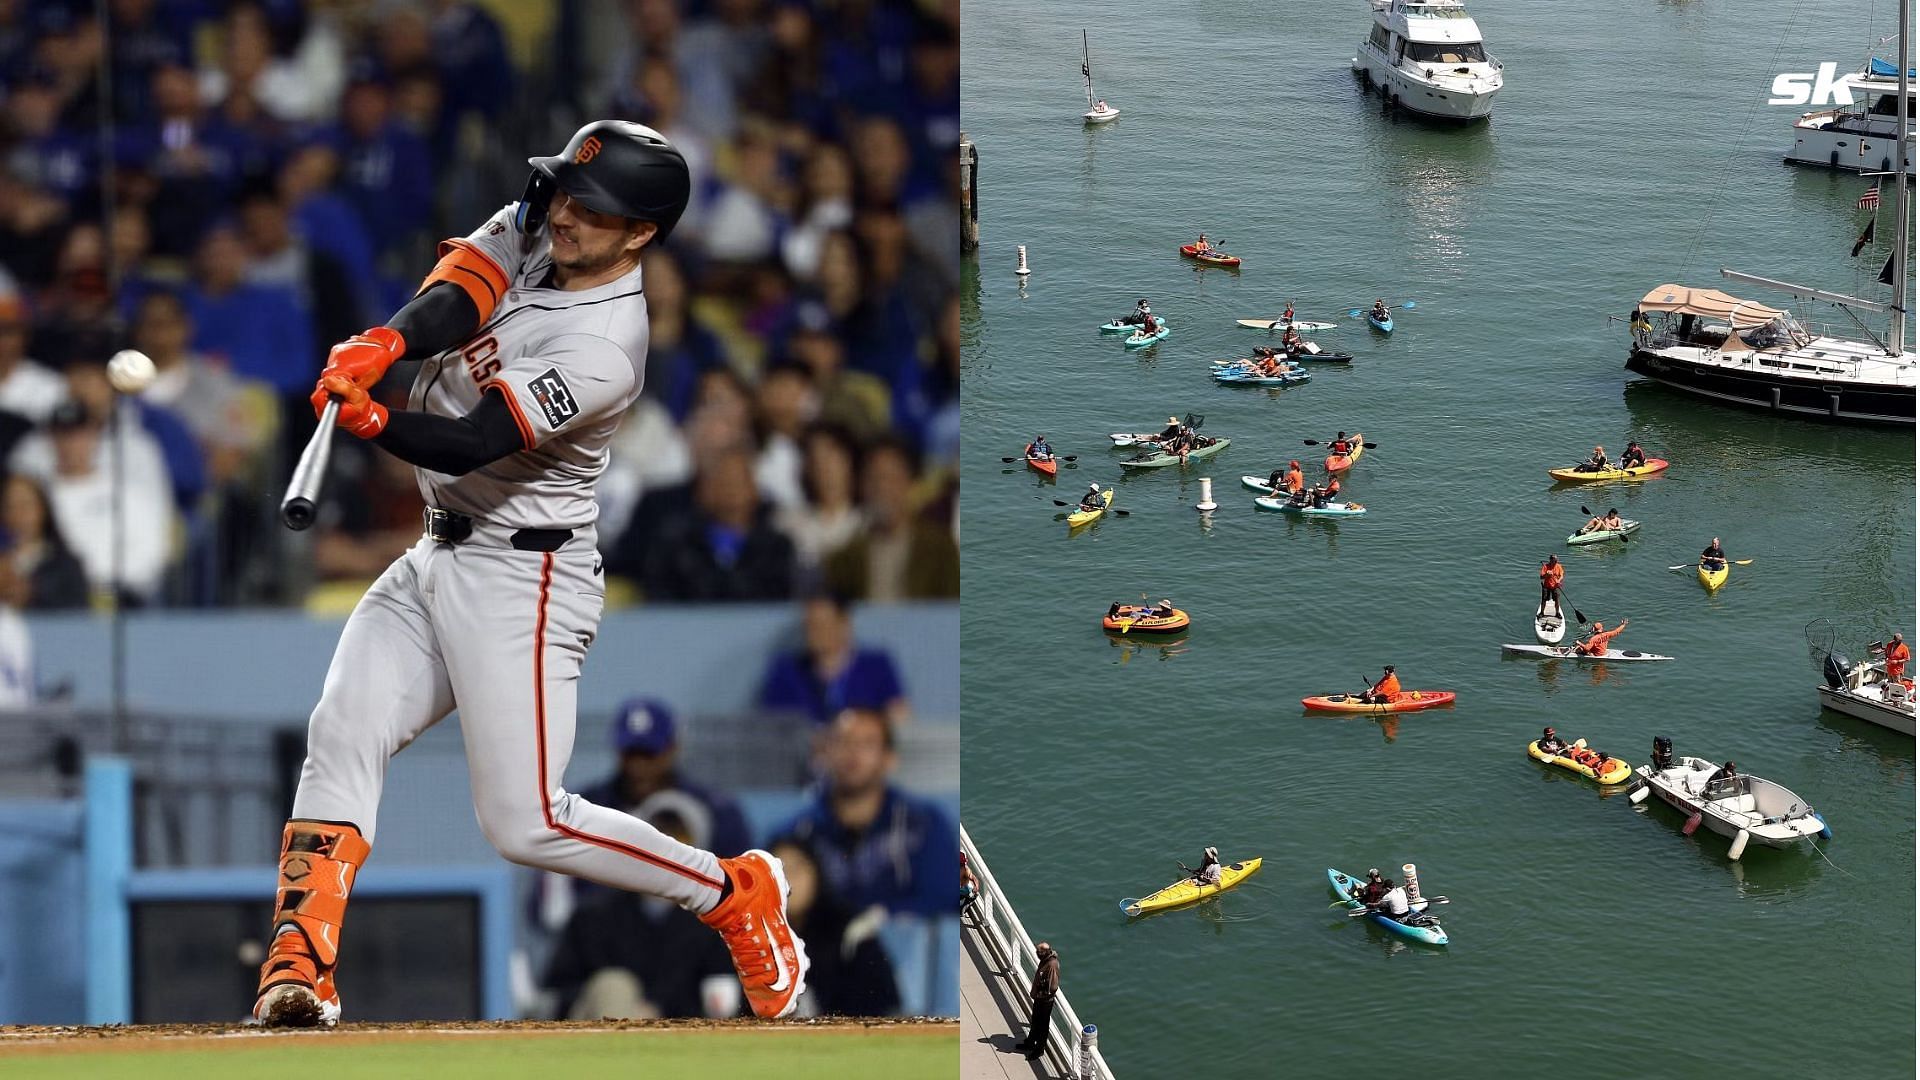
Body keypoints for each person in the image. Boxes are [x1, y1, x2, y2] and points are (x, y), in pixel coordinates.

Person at [251, 121, 807, 1029]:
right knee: (342, 724)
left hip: (525, 573)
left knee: (527, 823)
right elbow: (461, 288)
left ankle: (731, 892)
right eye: (565, 194)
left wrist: (372, 421)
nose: (567, 215)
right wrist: (388, 347)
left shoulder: (608, 346)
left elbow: (476, 441)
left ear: (641, 234)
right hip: (435, 550)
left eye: (597, 210)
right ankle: (300, 965)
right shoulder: (545, 220)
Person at [775, 707, 959, 916]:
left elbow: (944, 901)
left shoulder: (925, 825)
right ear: (824, 753)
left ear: (889, 759)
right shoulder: (796, 833)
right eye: (843, 741)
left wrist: (885, 918)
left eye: (867, 744)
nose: (853, 753)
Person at [759, 593, 911, 730]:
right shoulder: (787, 670)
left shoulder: (876, 666)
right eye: (809, 626)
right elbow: (769, 726)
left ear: (844, 624)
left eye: (822, 625)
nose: (814, 634)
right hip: (803, 756)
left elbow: (898, 717)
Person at [1011, 941, 1060, 1060]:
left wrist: (1041, 992)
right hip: (1040, 998)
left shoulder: (1052, 965)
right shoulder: (1046, 960)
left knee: (1042, 1026)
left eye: (1039, 952)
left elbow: (1053, 987)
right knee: (1035, 1021)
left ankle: (1039, 1049)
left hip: (1045, 1001)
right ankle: (1030, 1042)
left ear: (1044, 952)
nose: (1037, 954)